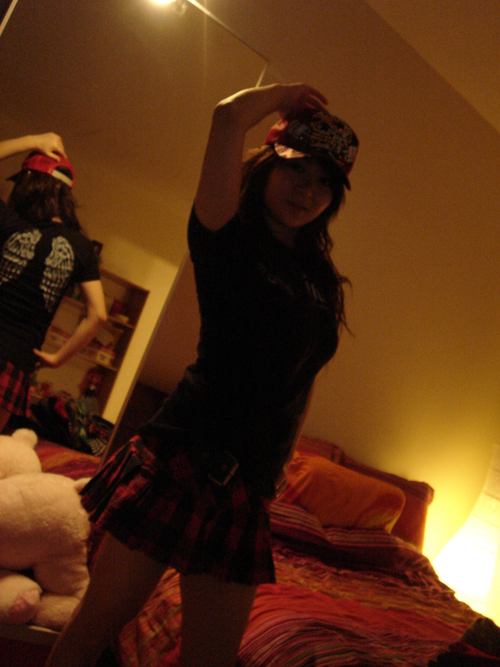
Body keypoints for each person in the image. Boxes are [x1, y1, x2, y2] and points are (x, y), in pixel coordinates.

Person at [45, 82, 359, 667]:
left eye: (324, 182)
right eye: (297, 169)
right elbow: (227, 117)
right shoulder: (227, 232)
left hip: (248, 487)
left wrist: (282, 463)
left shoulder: (318, 277)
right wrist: (286, 94)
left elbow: (305, 374)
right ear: (269, 163)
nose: (308, 190)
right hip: (182, 459)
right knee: (94, 629)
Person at [0, 134, 107, 432]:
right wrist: (58, 359)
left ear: (29, 186)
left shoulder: (9, 222)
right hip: (16, 361)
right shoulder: (82, 248)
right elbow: (98, 314)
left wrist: (32, 141)